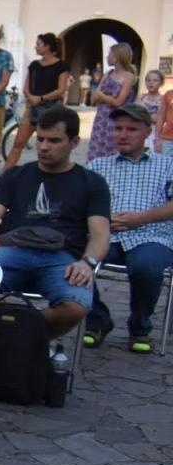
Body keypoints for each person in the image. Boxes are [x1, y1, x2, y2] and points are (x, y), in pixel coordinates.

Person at [0, 105, 111, 337]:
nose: (43, 147)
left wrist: (87, 262)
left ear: (74, 142)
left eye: (54, 140)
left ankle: (22, 338)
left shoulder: (92, 182)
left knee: (75, 307)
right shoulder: (15, 175)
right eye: (40, 139)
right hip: (13, 250)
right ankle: (5, 342)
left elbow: (100, 233)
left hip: (63, 258)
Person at [84, 103, 173, 353]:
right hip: (106, 236)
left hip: (153, 236)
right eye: (118, 128)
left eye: (131, 129)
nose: (122, 134)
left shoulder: (166, 165)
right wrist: (100, 219)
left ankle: (140, 327)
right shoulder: (98, 166)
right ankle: (98, 320)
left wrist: (142, 218)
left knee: (145, 266)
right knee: (73, 259)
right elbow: (80, 203)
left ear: (147, 131)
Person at [5, 33, 73, 172]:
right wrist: (30, 96)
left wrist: (41, 98)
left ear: (48, 47)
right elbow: (26, 85)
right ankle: (6, 174)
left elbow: (61, 89)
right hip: (32, 107)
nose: (36, 47)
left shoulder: (61, 66)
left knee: (48, 143)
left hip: (51, 108)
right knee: (18, 142)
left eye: (39, 44)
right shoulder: (34, 65)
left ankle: (50, 171)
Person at [86, 42, 140, 163]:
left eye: (110, 54)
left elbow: (118, 102)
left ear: (117, 57)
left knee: (113, 147)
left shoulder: (128, 76)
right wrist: (101, 96)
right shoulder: (107, 74)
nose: (107, 57)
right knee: (97, 147)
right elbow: (94, 98)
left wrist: (102, 96)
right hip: (101, 118)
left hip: (116, 118)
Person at [141, 69, 168, 154]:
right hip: (140, 132)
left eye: (155, 80)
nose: (151, 83)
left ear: (161, 83)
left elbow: (158, 119)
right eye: (148, 80)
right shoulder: (141, 97)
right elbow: (135, 115)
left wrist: (144, 114)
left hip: (155, 134)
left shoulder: (164, 99)